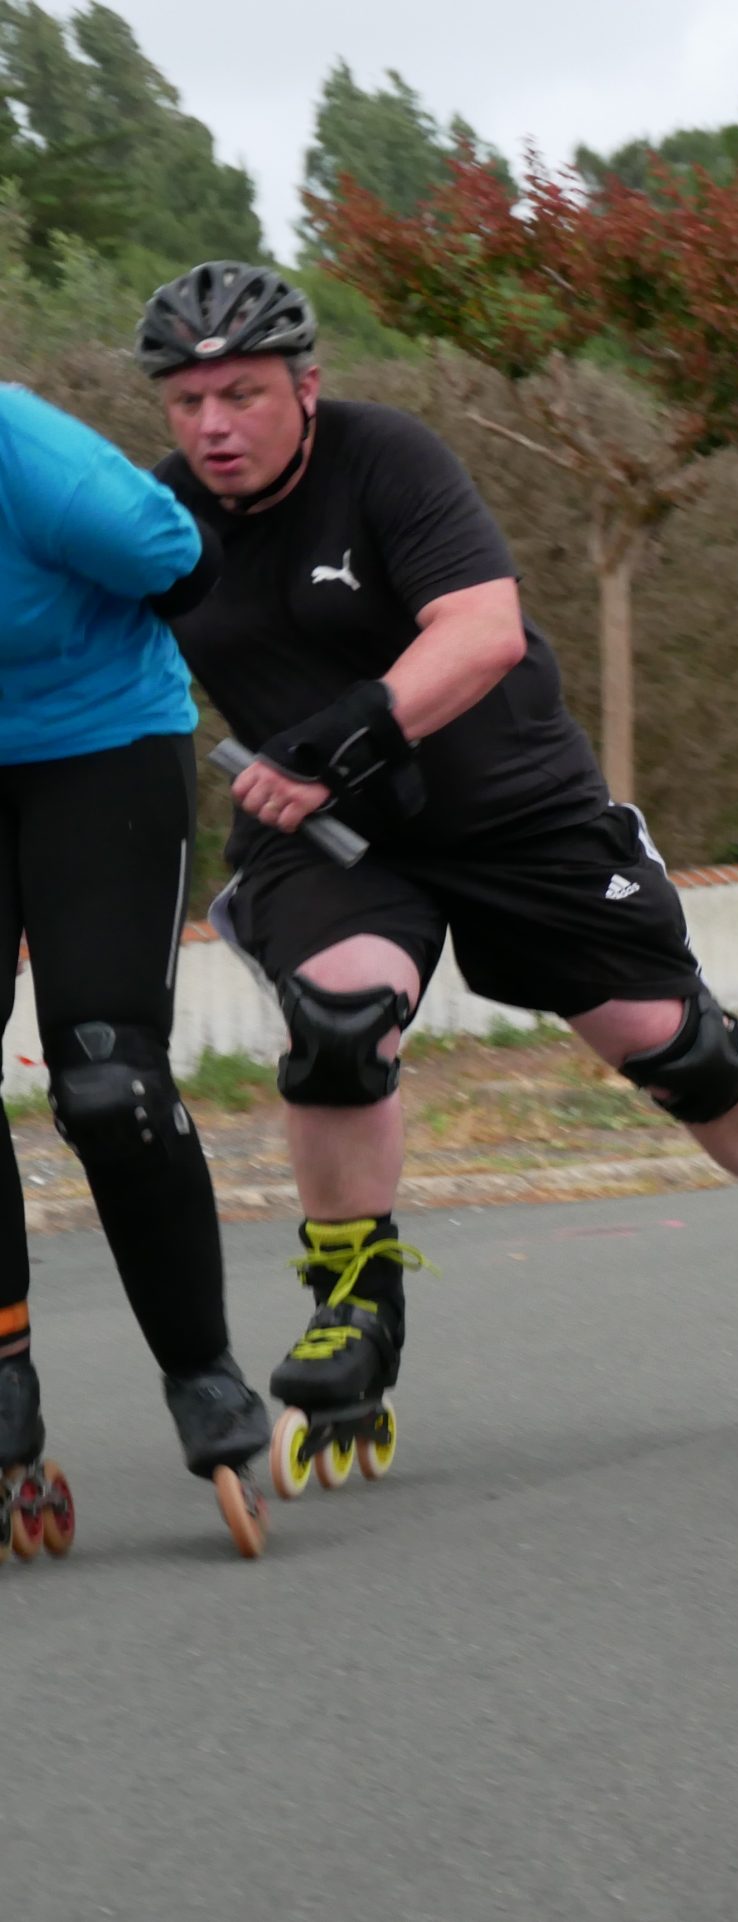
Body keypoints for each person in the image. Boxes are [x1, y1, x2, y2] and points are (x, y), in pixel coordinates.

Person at [137, 261, 738, 1502]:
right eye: (186, 402)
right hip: (332, 833)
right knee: (340, 1021)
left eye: (241, 393)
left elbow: (481, 630)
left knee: (674, 1044)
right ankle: (355, 1306)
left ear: (306, 385)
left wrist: (331, 739)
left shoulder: (385, 459)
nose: (213, 426)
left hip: (512, 806)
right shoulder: (157, 515)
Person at [0, 382, 273, 1558]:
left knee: (108, 1078)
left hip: (99, 745)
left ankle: (203, 1372)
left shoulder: (30, 458)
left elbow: (183, 566)